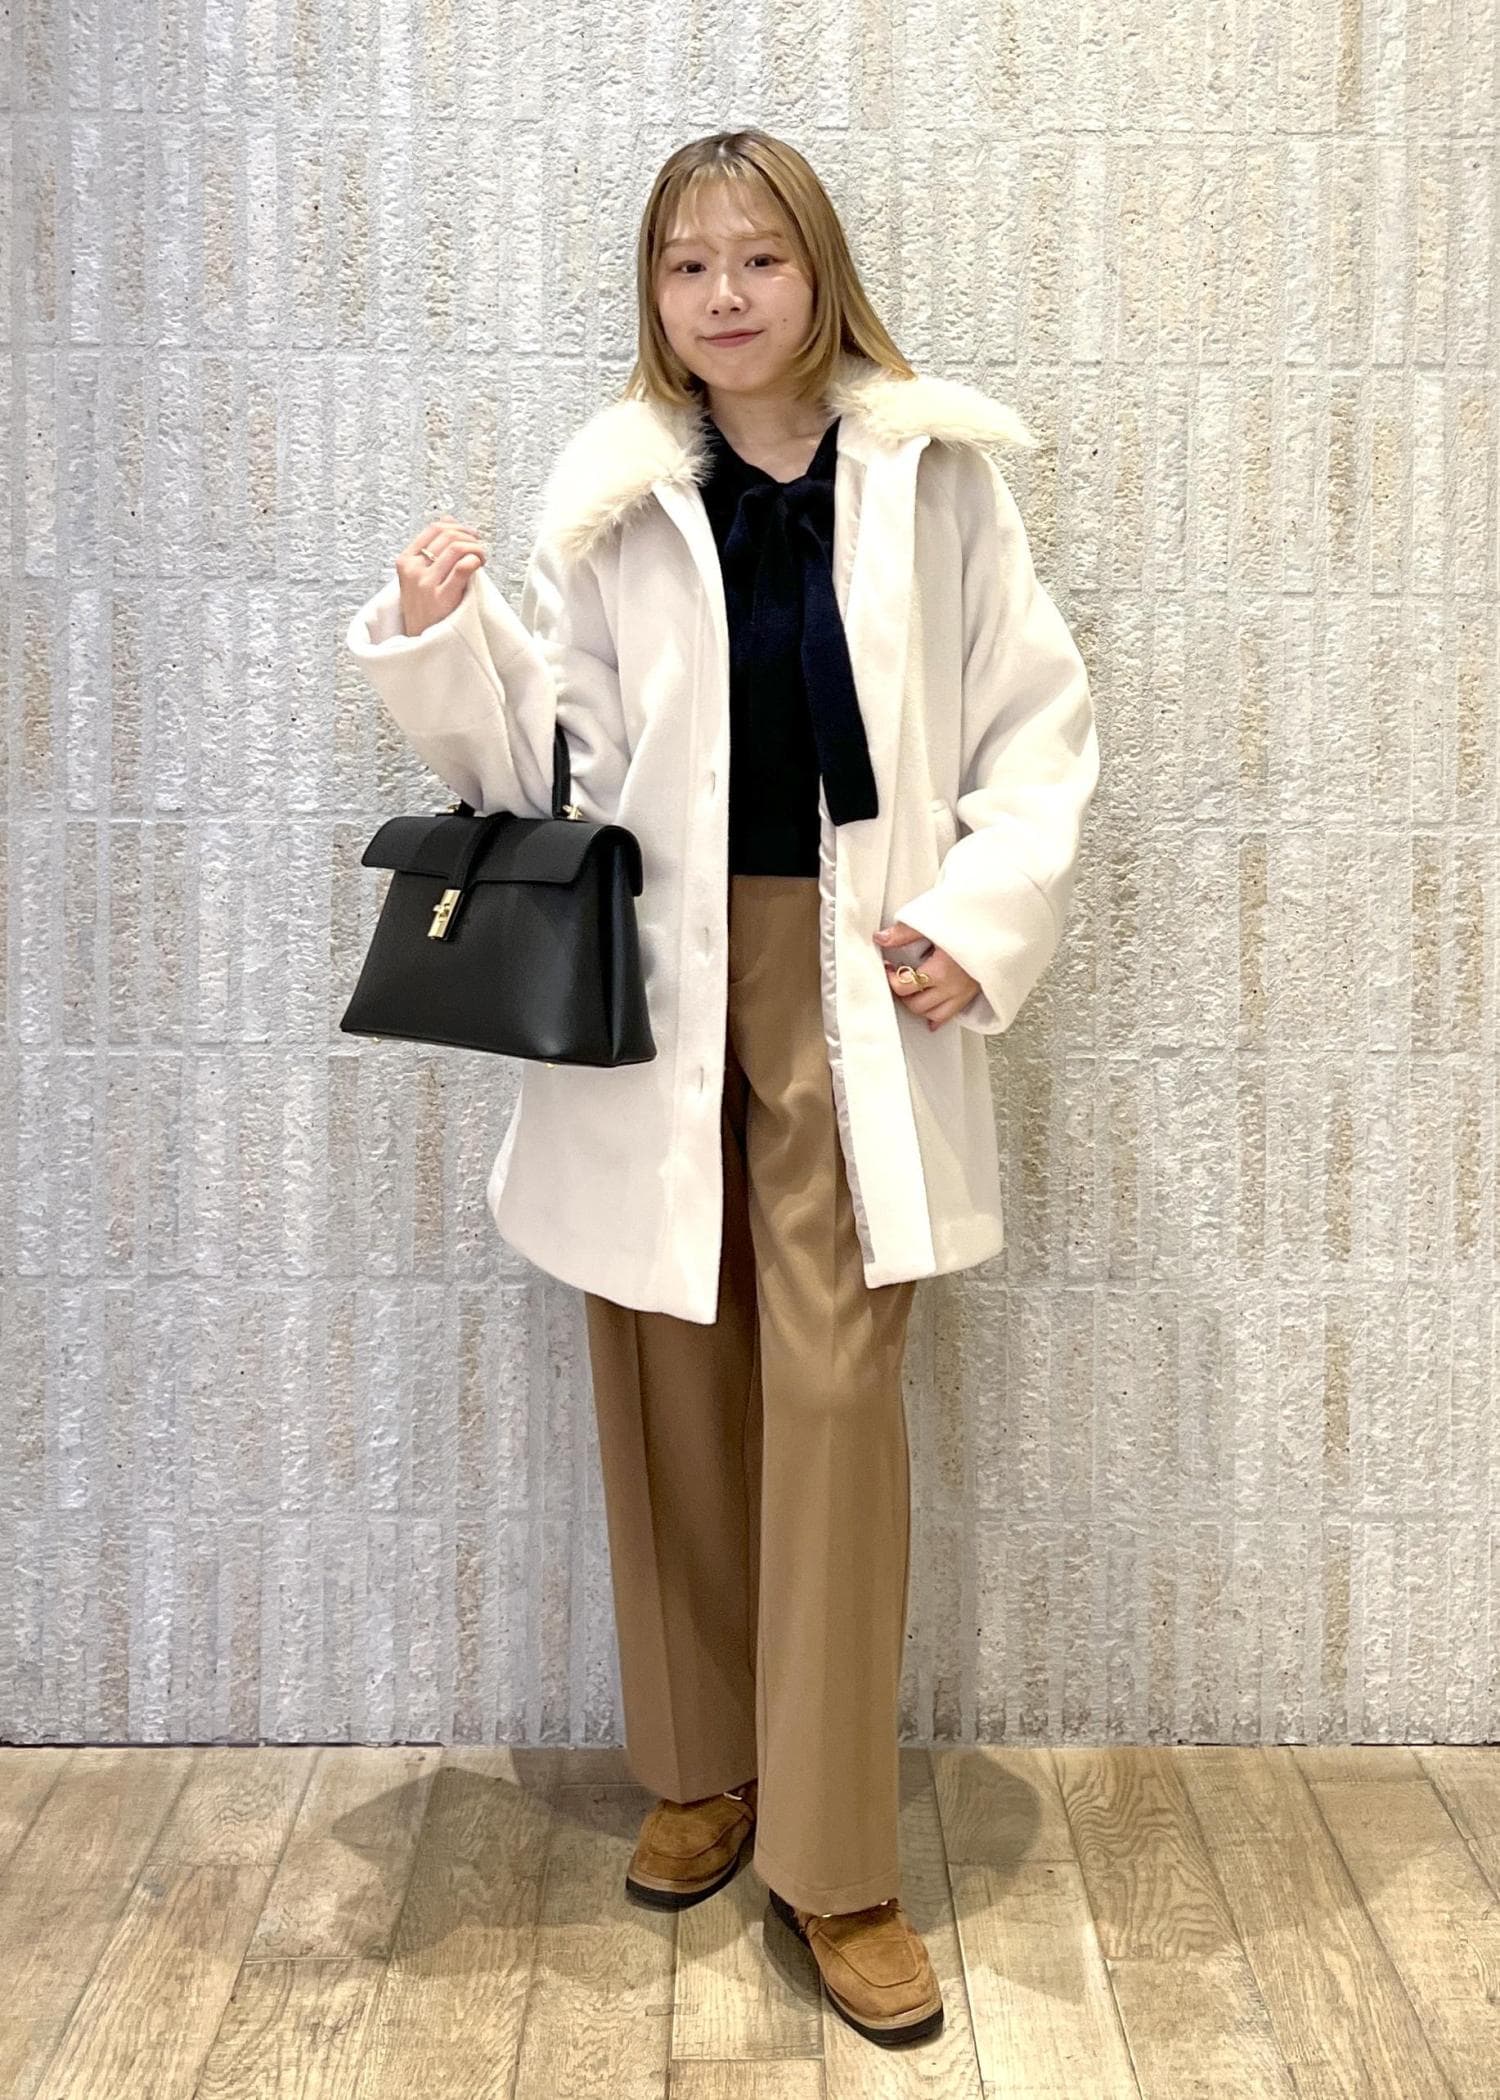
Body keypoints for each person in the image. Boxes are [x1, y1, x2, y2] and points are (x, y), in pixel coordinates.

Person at [345, 127, 1099, 2049]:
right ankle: (701, 1769)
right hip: (666, 980)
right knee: (669, 1374)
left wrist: (981, 915)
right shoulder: (615, 502)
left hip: (864, 973)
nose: (727, 295)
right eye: (689, 267)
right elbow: (552, 775)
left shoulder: (935, 482)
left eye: (760, 257)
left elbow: (1036, 725)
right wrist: (449, 639)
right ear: (655, 299)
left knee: (834, 1397)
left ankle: (839, 1858)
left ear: (819, 270)